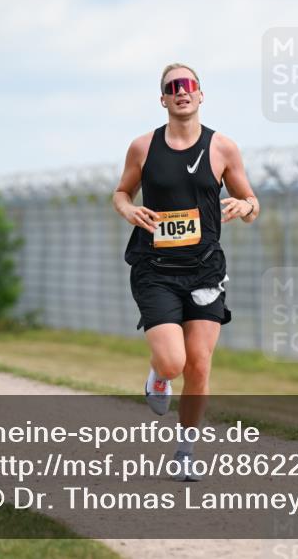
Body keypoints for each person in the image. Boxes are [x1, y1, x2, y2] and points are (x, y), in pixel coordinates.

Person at [113, 63, 260, 481]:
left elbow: (252, 202)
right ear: (163, 99)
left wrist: (244, 206)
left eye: (189, 85)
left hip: (205, 271)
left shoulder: (223, 148)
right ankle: (159, 376)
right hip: (155, 268)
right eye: (172, 87)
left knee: (199, 364)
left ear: (200, 95)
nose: (182, 91)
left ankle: (185, 449)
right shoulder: (143, 148)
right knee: (174, 362)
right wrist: (128, 209)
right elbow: (121, 191)